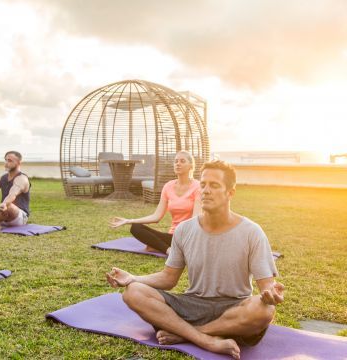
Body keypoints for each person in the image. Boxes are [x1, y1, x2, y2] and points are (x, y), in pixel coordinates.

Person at [106, 160, 284, 360]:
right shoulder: (184, 230)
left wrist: (271, 294)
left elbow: (267, 287)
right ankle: (206, 340)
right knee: (133, 292)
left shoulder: (252, 232)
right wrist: (133, 278)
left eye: (214, 185)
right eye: (203, 184)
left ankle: (187, 333)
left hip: (234, 309)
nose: (206, 190)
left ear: (230, 193)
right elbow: (168, 279)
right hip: (191, 305)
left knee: (264, 310)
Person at [110, 151, 202, 254]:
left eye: (182, 161)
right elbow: (156, 217)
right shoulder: (168, 186)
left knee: (165, 242)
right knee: (136, 227)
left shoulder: (198, 187)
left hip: (189, 236)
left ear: (191, 166)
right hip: (173, 236)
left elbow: (195, 221)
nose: (178, 163)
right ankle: (169, 250)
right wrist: (128, 220)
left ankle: (160, 246)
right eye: (176, 161)